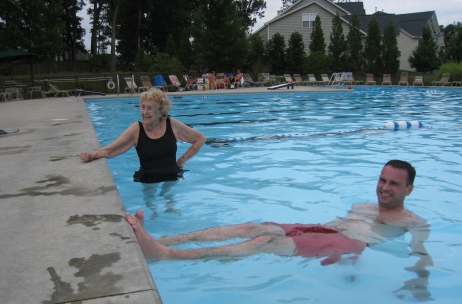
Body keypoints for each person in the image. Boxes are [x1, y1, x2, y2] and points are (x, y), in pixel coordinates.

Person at [125, 160, 432, 268]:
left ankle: (164, 254)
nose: (385, 187)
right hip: (320, 230)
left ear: (409, 189)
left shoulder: (414, 223)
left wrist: (417, 281)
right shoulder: (361, 206)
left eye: (393, 183)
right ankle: (164, 237)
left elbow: (421, 256)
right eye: (382, 179)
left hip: (345, 244)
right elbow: (329, 227)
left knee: (262, 242)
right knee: (252, 227)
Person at [80, 88, 206, 183]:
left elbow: (200, 138)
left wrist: (182, 160)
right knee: (151, 208)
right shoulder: (136, 129)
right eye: (143, 107)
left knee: (170, 204)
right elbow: (111, 150)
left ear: (160, 111)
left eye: (150, 108)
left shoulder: (172, 124)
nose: (144, 112)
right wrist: (92, 155)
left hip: (172, 175)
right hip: (147, 178)